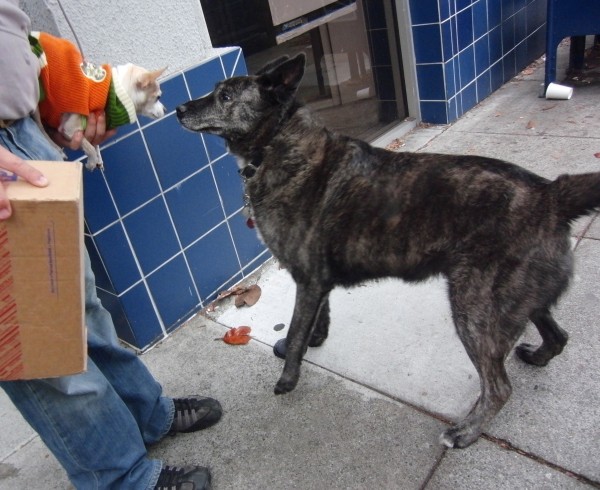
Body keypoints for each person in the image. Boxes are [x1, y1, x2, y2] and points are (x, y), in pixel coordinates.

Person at [0, 1, 221, 488]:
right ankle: (122, 479)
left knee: (83, 311)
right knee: (45, 351)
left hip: (22, 138)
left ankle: (146, 417)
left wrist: (56, 100)